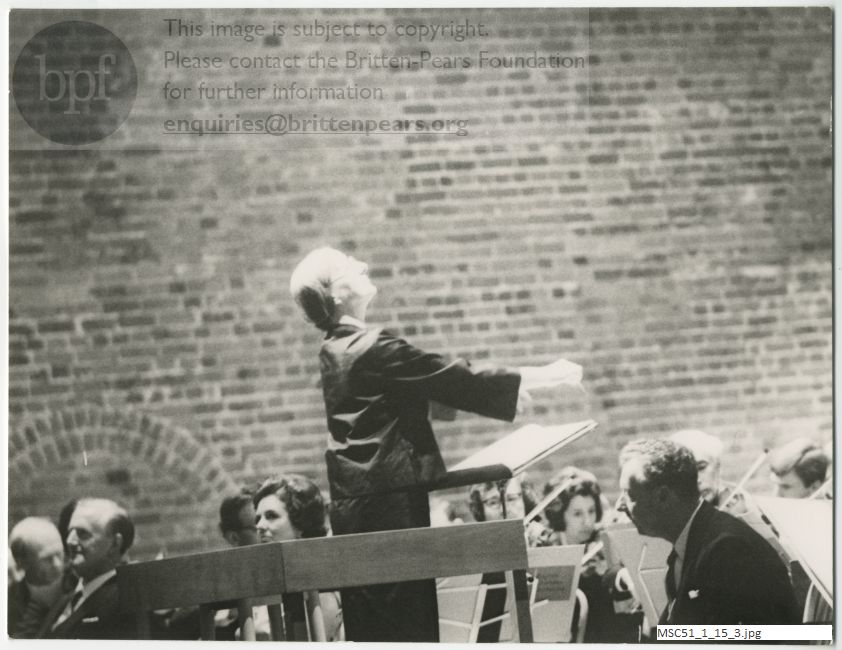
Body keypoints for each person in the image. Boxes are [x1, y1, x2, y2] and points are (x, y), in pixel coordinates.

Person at [290, 246, 578, 642]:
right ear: (335, 294)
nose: (362, 264)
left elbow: (394, 399)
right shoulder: (370, 346)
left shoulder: (336, 349)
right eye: (347, 265)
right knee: (407, 625)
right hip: (388, 505)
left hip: (360, 507)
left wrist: (460, 399)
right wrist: (546, 376)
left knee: (381, 627)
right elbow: (447, 376)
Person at [616, 439, 800, 626]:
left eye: (629, 495)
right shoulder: (692, 544)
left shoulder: (727, 550)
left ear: (663, 496)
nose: (619, 506)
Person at [541, 474, 641, 643]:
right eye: (577, 514)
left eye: (592, 511)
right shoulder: (546, 551)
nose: (588, 522)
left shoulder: (604, 544)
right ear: (560, 516)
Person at [254, 475, 343, 641]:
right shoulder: (274, 579)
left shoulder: (321, 586)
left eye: (271, 516)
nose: (259, 526)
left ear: (300, 525)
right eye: (257, 518)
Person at [39, 498, 137, 639]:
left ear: (115, 544)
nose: (69, 541)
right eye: (70, 532)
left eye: (83, 533)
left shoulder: (126, 601)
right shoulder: (66, 597)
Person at [8, 517, 68, 638]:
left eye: (59, 554)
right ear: (21, 562)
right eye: (47, 559)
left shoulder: (79, 588)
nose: (57, 564)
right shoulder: (8, 602)